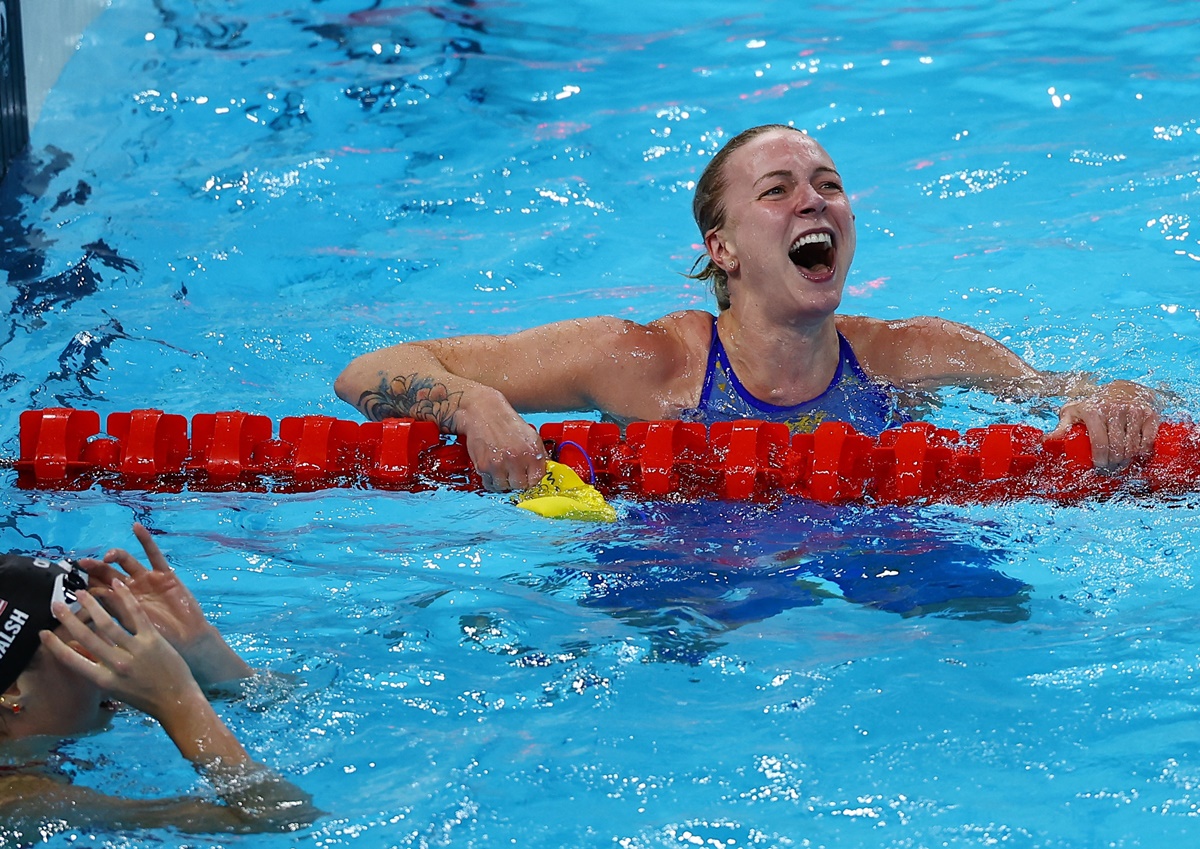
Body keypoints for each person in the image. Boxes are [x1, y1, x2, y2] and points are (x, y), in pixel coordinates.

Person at [334, 123, 1162, 492]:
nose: (816, 201)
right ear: (722, 248)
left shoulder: (909, 352)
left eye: (829, 185)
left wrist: (1117, 397)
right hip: (682, 567)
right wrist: (475, 403)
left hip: (870, 547)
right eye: (779, 190)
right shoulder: (645, 363)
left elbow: (1067, 388)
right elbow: (368, 371)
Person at [0, 524, 318, 839]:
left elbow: (288, 698)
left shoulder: (60, 718)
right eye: (91, 631)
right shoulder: (22, 802)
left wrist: (202, 650)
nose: (120, 650)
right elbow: (286, 817)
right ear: (15, 690)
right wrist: (178, 704)